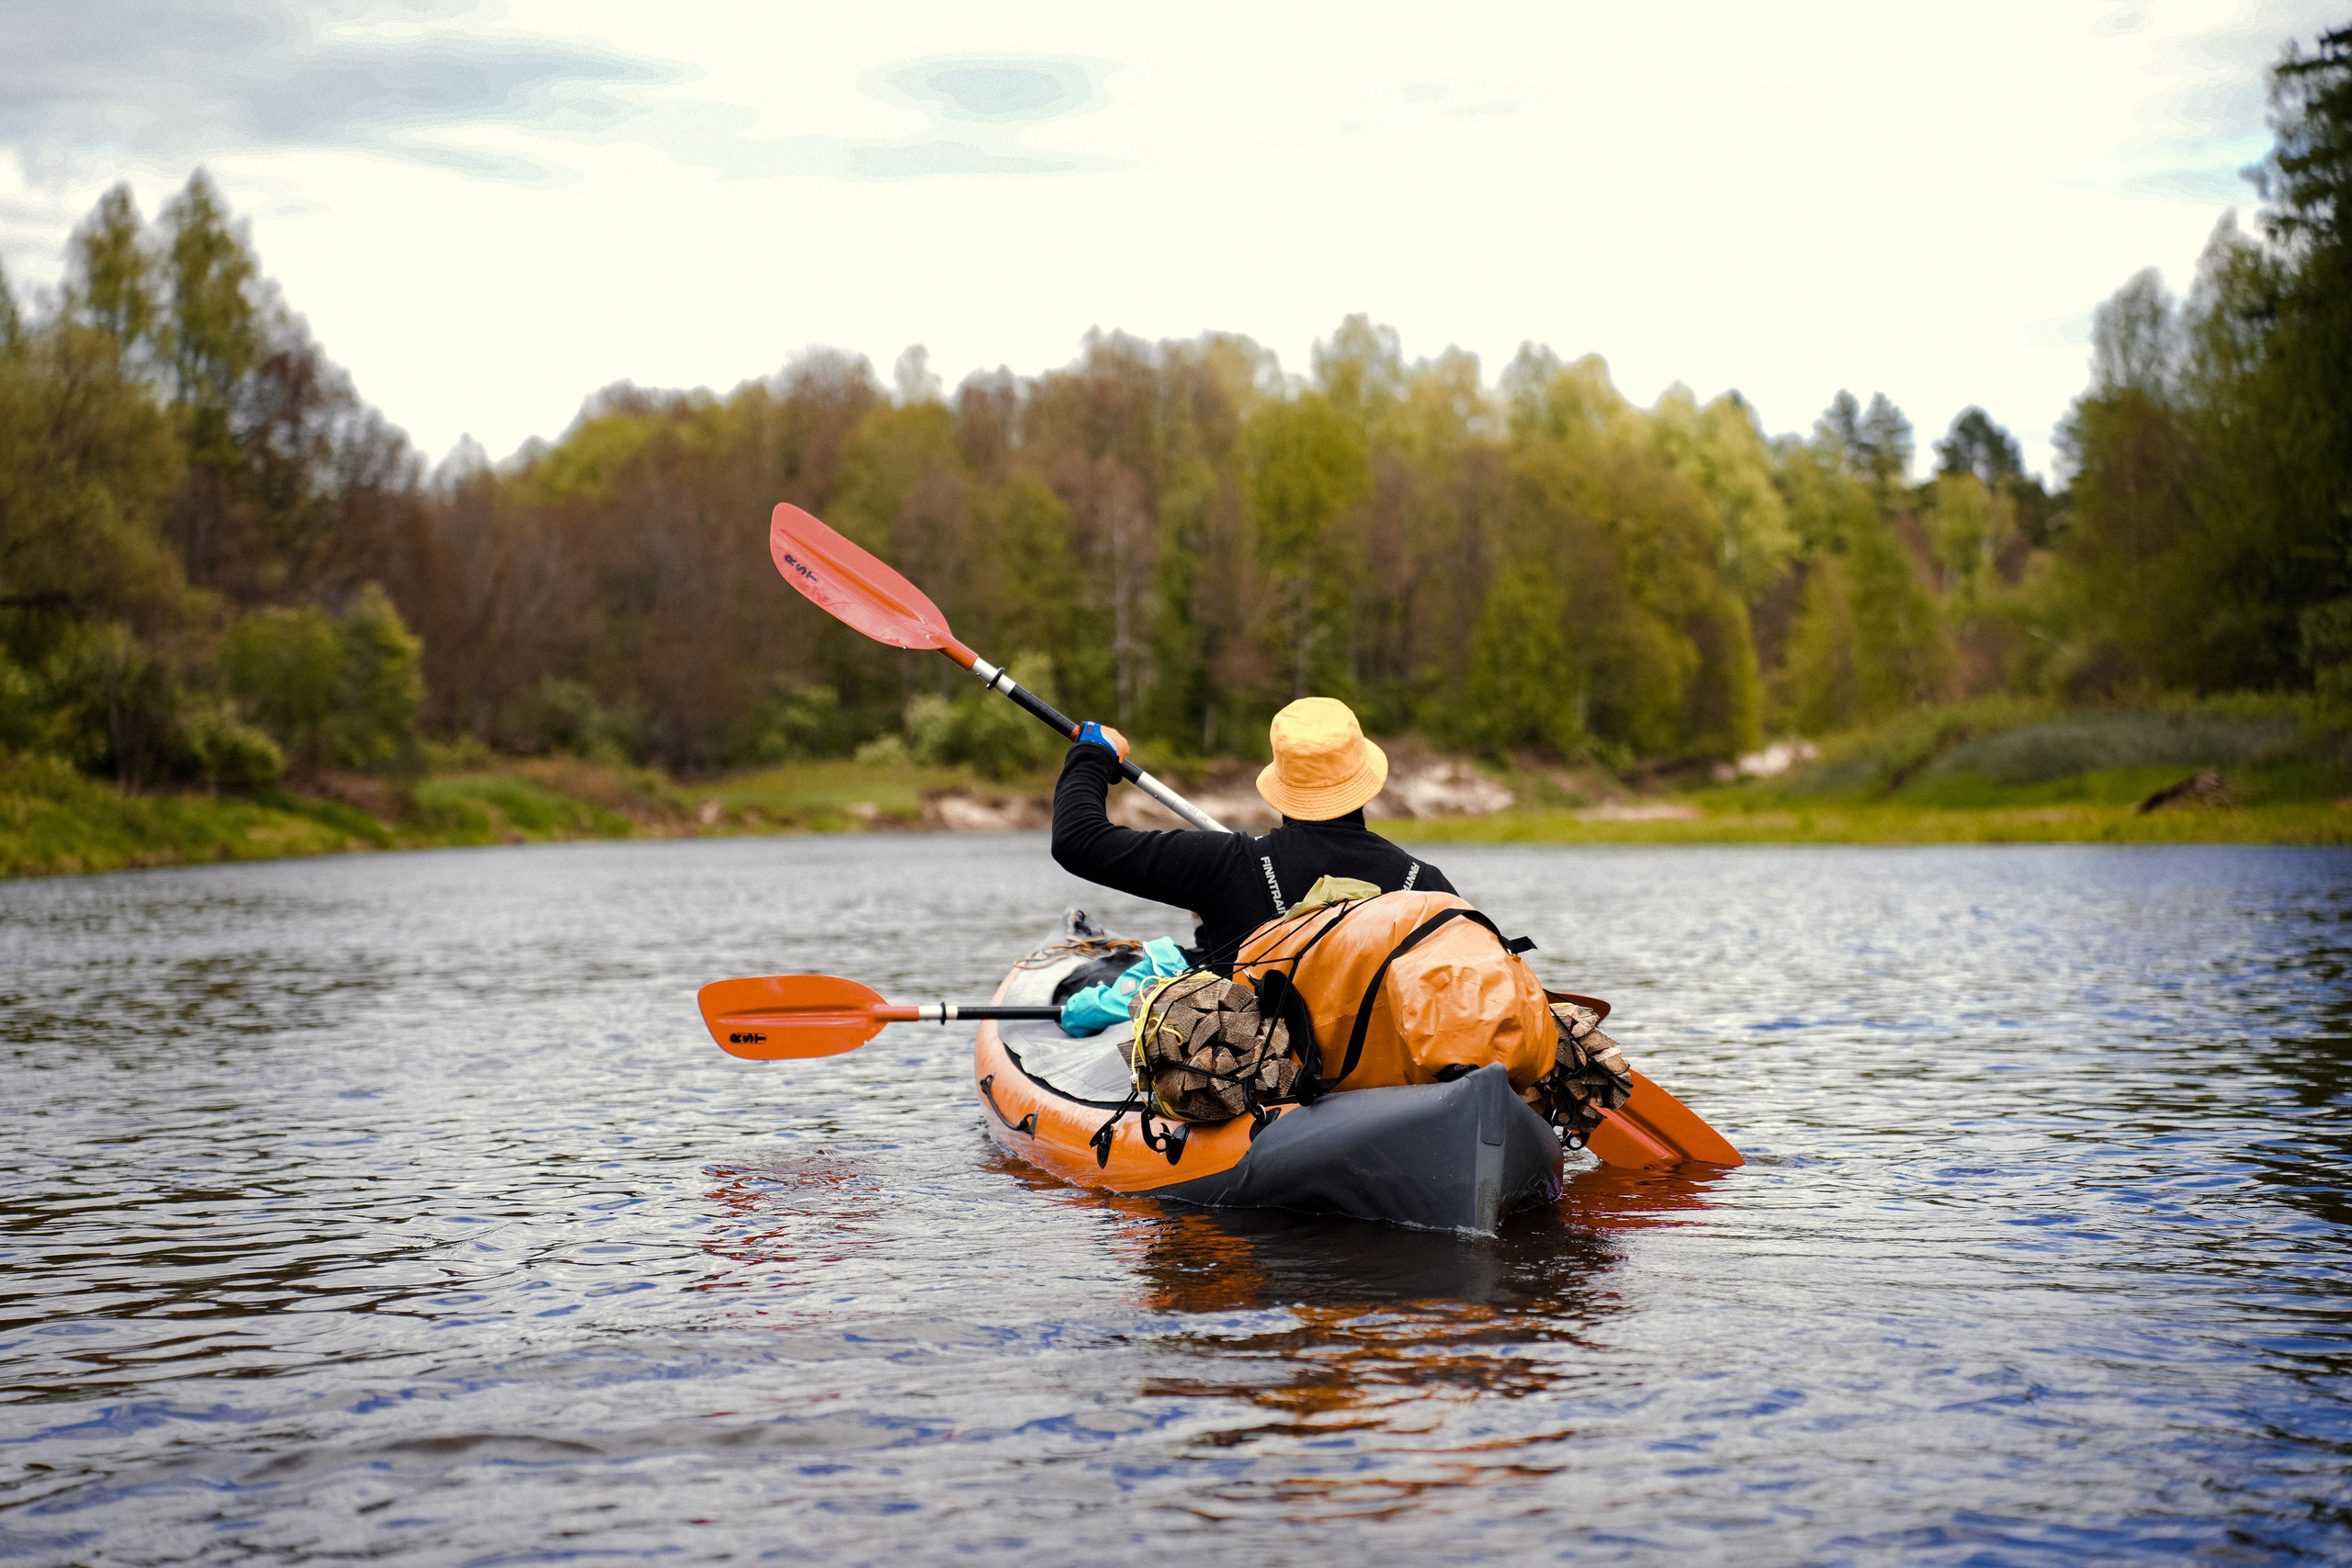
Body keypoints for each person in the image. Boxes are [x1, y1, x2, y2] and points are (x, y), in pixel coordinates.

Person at [1051, 696, 1457, 967]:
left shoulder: (1225, 867)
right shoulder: (1426, 885)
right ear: (1365, 777)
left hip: (1265, 1069)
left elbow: (1078, 840)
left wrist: (1093, 754)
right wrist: (1209, 934)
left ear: (1281, 782)